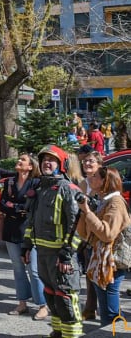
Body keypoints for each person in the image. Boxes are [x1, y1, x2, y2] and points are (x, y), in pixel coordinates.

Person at [22, 145, 83, 338]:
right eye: (44, 159)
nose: (47, 163)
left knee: (66, 298)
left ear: (61, 164)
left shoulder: (67, 189)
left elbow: (77, 226)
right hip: (42, 253)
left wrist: (67, 255)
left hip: (60, 257)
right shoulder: (40, 188)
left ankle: (72, 335)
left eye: (52, 159)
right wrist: (27, 245)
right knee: (50, 295)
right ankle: (58, 332)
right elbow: (32, 220)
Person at [77, 166, 131, 327]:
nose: (90, 179)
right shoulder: (102, 200)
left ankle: (111, 332)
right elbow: (85, 234)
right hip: (101, 258)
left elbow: (107, 234)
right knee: (105, 307)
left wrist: (88, 212)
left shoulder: (115, 203)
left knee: (109, 309)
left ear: (104, 181)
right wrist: (84, 212)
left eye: (94, 176)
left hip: (113, 260)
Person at [0, 153, 47, 320]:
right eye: (19, 159)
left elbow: (32, 205)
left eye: (23, 160)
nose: (19, 161)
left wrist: (15, 206)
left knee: (33, 269)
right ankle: (22, 303)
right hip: (11, 229)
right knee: (18, 268)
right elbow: (2, 204)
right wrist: (18, 208)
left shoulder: (36, 183)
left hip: (30, 231)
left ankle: (42, 304)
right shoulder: (10, 182)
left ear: (31, 166)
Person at [79, 150, 105, 321]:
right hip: (85, 233)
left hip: (99, 232)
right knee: (89, 272)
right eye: (85, 162)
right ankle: (90, 308)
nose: (87, 164)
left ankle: (107, 313)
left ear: (99, 165)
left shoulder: (103, 182)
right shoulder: (82, 183)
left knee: (100, 274)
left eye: (91, 162)